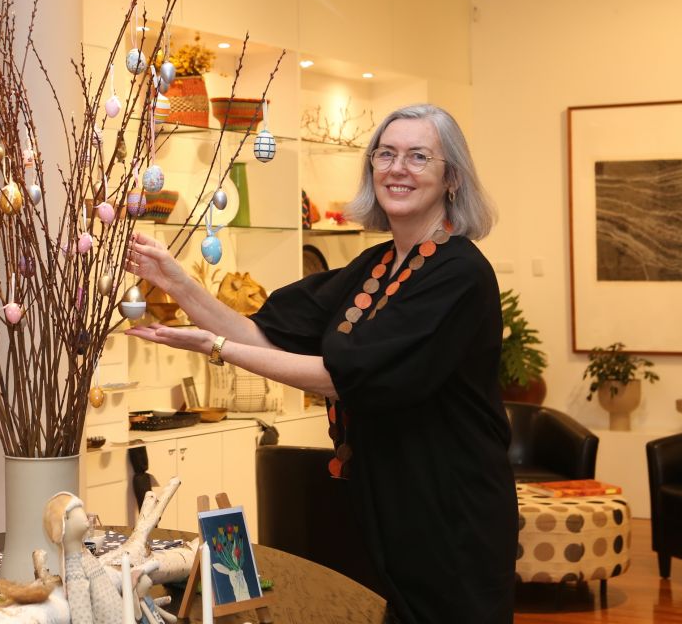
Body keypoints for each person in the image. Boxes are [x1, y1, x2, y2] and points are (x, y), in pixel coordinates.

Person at [125, 104, 516, 623]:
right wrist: (177, 283)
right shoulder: (374, 266)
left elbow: (343, 380)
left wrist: (213, 349)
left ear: (452, 178)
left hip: (450, 509)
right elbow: (261, 333)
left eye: (419, 156)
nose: (398, 168)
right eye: (386, 153)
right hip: (383, 498)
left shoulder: (460, 274)